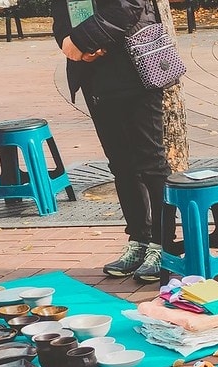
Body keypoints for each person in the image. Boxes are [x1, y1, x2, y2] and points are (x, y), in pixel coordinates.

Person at [52, 0, 171, 283]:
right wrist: (73, 45)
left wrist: (82, 40)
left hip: (137, 67)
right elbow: (61, 15)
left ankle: (163, 245)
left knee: (151, 162)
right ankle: (139, 241)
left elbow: (128, 7)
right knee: (121, 164)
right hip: (95, 76)